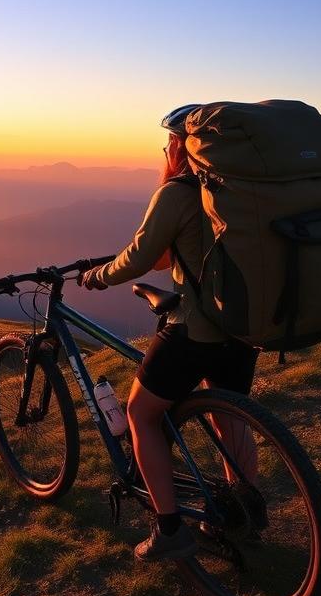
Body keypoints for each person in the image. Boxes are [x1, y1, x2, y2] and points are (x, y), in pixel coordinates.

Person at [78, 104, 261, 562]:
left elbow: (140, 258)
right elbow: (170, 255)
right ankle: (245, 516)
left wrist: (98, 277)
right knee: (231, 419)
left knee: (141, 413)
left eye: (170, 143)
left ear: (181, 144)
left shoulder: (178, 192)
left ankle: (169, 529)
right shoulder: (243, 187)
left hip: (195, 330)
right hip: (242, 329)